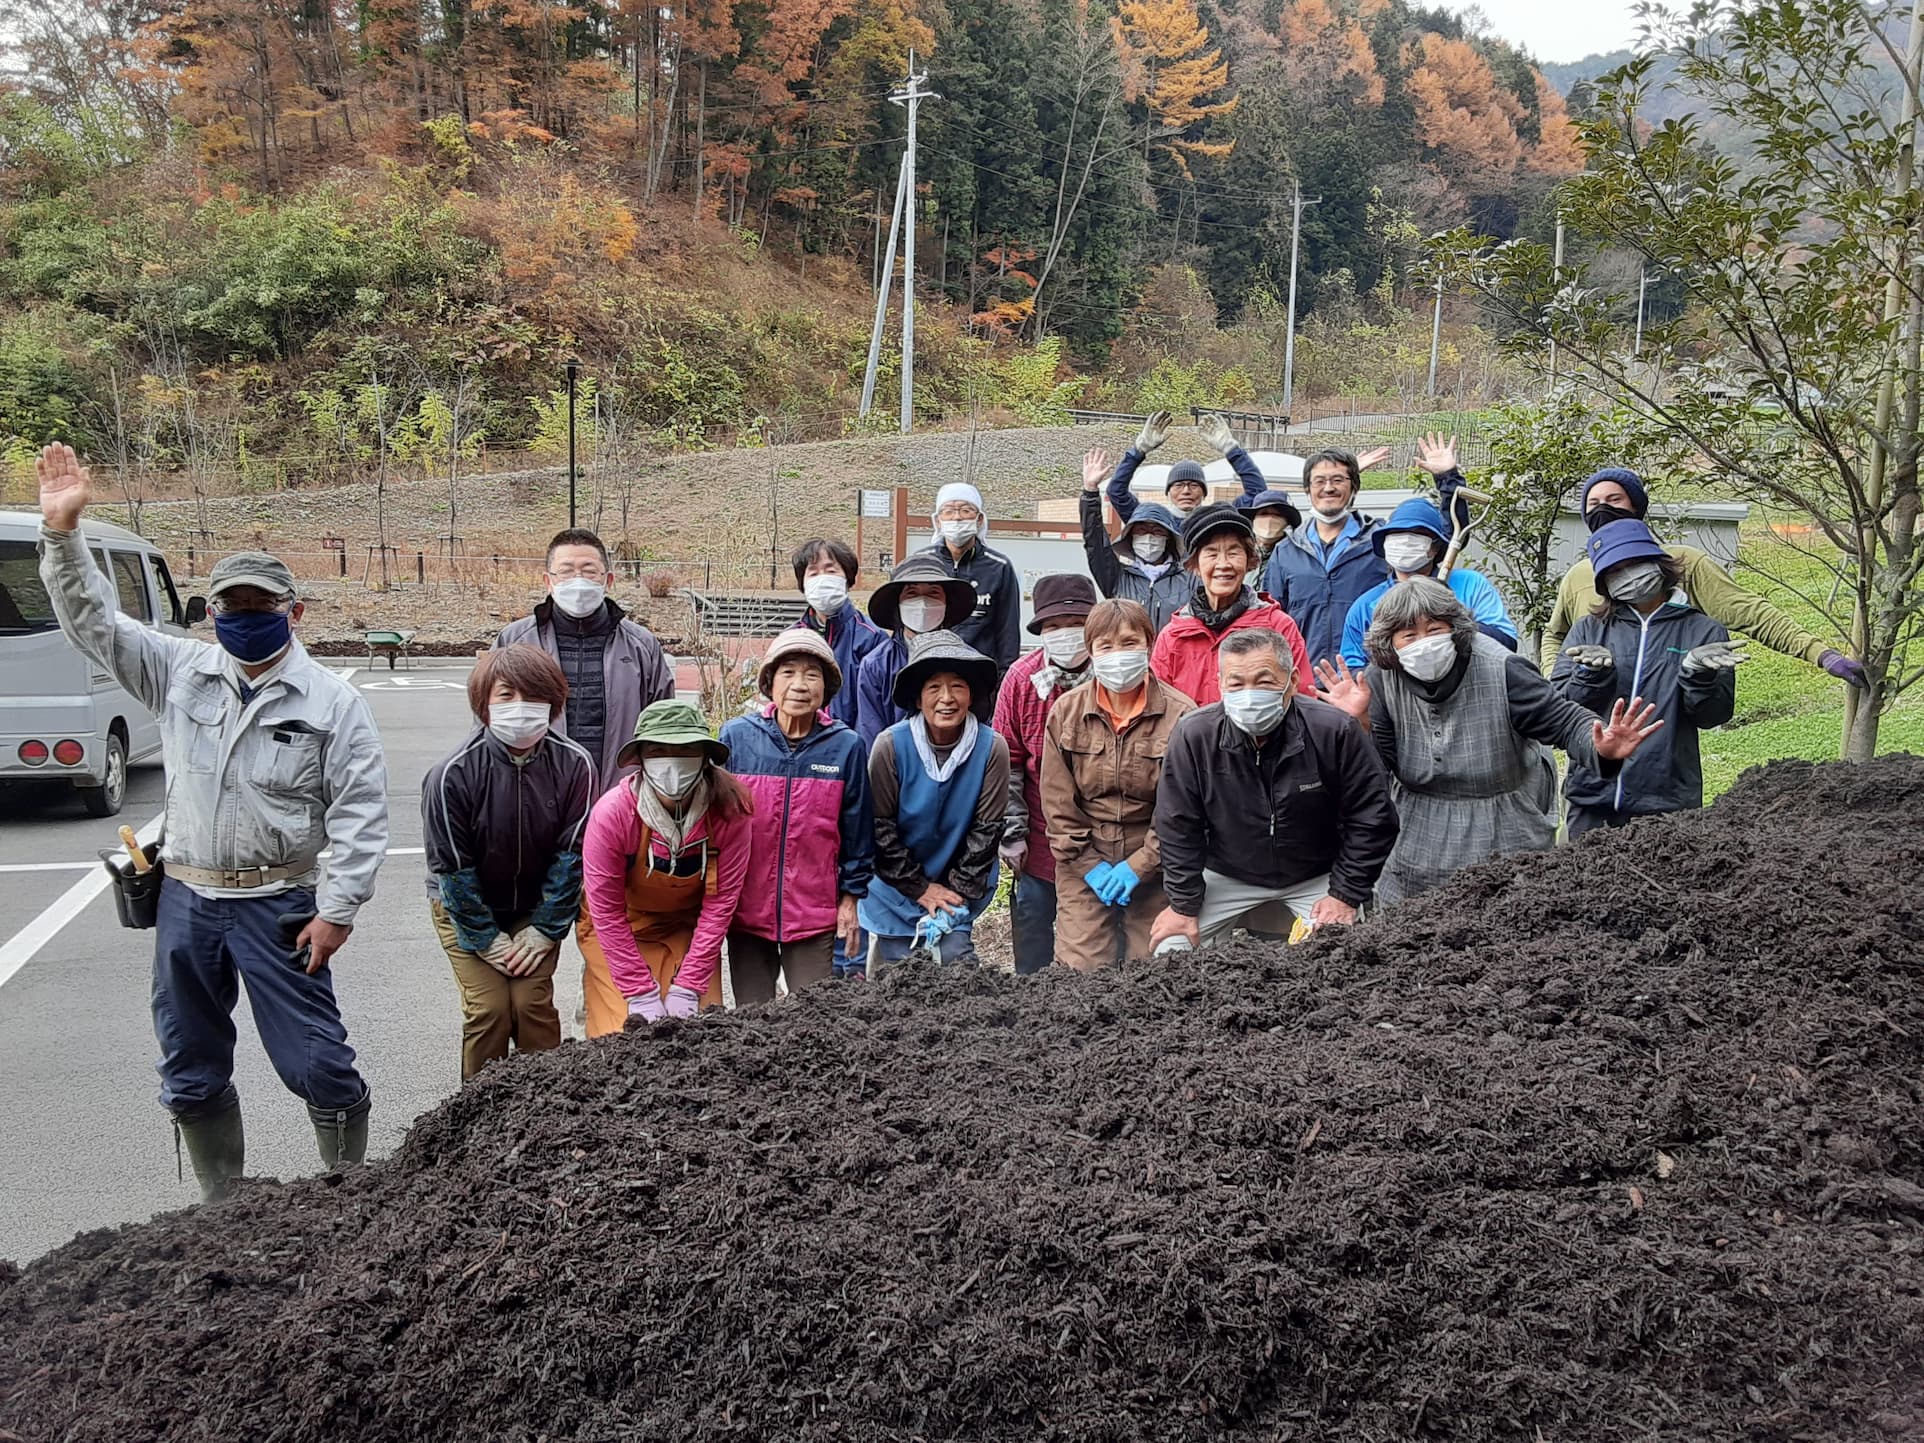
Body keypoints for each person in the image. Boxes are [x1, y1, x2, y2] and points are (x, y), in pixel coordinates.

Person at [34, 443, 387, 1201]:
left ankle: (348, 1199)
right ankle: (222, 1207)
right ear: (211, 611)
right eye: (232, 606)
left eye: (262, 607)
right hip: (188, 901)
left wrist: (338, 911)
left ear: (294, 612)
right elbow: (94, 623)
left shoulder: (332, 703)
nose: (246, 618)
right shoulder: (178, 669)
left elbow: (360, 812)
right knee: (189, 1066)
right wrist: (64, 536)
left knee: (319, 1064)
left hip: (281, 904)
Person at [1314, 579, 1661, 905]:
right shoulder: (1381, 678)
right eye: (1409, 635)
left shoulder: (1503, 669)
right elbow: (1379, 767)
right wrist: (1360, 723)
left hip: (1502, 821)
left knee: (1508, 920)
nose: (1424, 643)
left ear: (1456, 628)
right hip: (1418, 828)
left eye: (1435, 629)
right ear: (1389, 644)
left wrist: (1599, 743)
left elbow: (1564, 719)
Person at [1151, 628, 1398, 950]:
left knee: (1338, 952)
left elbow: (1373, 817)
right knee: (1173, 946)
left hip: (1317, 873)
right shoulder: (1194, 735)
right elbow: (1176, 823)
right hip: (1227, 873)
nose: (1249, 694)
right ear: (1221, 683)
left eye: (1264, 681)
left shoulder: (1334, 731)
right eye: (1236, 683)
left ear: (1292, 681)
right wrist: (1182, 904)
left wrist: (1345, 893)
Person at [422, 645, 595, 1079]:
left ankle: (550, 1106)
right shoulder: (451, 774)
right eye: (506, 696)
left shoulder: (576, 764)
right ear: (484, 703)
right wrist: (488, 940)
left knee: (531, 1004)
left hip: (535, 908)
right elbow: (453, 871)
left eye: (534, 697)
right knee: (490, 1009)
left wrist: (542, 931)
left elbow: (571, 858)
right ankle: (477, 1112)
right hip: (466, 908)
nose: (521, 708)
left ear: (554, 704)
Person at [1540, 467, 1868, 687]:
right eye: (1594, 504)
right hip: (1597, 716)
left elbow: (1752, 613)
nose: (1603, 510)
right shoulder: (1579, 577)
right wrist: (1558, 681)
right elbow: (1556, 634)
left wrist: (1821, 654)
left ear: (1637, 507)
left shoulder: (1684, 563)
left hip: (1667, 714)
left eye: (1614, 500)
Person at [1551, 520, 1743, 837]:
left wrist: (1698, 676)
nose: (1628, 576)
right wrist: (1592, 675)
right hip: (1592, 796)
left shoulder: (1703, 631)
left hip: (1667, 801)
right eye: (1615, 571)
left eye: (1634, 563)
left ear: (1657, 562)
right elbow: (1562, 708)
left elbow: (1714, 716)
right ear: (1605, 583)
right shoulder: (1588, 628)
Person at [1040, 599, 1196, 970]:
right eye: (1106, 646)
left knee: (1159, 967)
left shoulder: (1182, 715)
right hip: (1084, 865)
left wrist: (1140, 865)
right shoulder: (1067, 712)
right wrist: (1089, 866)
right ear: (1091, 652)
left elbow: (1182, 811)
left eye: (1129, 643)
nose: (1118, 654)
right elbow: (1058, 805)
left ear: (1149, 644)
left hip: (1159, 867)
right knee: (1082, 971)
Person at [719, 629, 873, 1004]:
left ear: (827, 688)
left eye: (812, 675)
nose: (800, 685)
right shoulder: (736, 739)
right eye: (788, 673)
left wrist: (850, 900)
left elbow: (858, 834)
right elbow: (715, 826)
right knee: (751, 1019)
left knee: (810, 1023)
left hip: (813, 914)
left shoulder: (846, 746)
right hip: (745, 911)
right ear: (770, 682)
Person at [579, 700, 750, 1027]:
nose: (672, 762)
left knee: (699, 1031)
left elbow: (721, 902)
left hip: (687, 928)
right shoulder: (612, 815)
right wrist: (638, 991)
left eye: (686, 751)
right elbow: (606, 911)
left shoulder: (730, 811)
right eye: (658, 751)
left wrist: (689, 985)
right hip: (619, 929)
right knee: (620, 1032)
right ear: (640, 759)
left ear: (704, 758)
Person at [860, 631, 1011, 968]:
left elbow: (986, 831)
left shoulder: (991, 748)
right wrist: (919, 889)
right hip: (895, 883)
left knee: (956, 961)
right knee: (893, 976)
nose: (947, 698)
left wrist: (951, 897)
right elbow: (878, 829)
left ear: (971, 695)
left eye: (957, 686)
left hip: (959, 880)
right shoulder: (890, 746)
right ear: (918, 699)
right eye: (934, 688)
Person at [494, 528, 675, 783]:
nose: (578, 580)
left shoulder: (641, 645)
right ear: (548, 581)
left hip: (619, 795)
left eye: (589, 571)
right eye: (566, 571)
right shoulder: (515, 641)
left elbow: (664, 723)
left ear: (608, 580)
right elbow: (487, 721)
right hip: (534, 794)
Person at [992, 574, 1098, 975]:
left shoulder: (1115, 677)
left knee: (1095, 941)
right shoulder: (1021, 680)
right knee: (1034, 924)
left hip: (1101, 837)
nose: (1065, 634)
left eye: (1075, 625)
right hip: (1039, 837)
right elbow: (1007, 763)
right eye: (1053, 627)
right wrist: (1013, 834)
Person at [1151, 503, 1313, 706]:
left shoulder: (1278, 626)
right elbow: (1158, 706)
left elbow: (1302, 698)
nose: (1223, 564)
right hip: (1191, 738)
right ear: (1194, 565)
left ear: (1249, 562)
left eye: (1234, 552)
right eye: (1211, 553)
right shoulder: (1173, 635)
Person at [1338, 496, 1517, 668]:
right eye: (1397, 533)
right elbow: (1352, 666)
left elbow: (1506, 643)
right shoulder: (1365, 605)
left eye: (1417, 534)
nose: (1406, 540)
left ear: (1436, 547)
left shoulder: (1470, 584)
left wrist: (1454, 623)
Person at [1261, 447, 1391, 667]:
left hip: (1368, 675)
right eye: (1319, 481)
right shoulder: (1286, 551)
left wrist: (1447, 478)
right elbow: (1270, 619)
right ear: (1307, 489)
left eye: (1338, 480)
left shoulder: (1379, 543)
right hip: (1305, 678)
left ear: (1354, 487)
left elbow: (1436, 546)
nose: (1328, 488)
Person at [856, 554, 977, 749]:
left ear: (947, 603)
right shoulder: (876, 665)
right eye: (912, 594)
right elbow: (871, 734)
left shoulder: (969, 662)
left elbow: (978, 726)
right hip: (894, 768)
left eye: (933, 593)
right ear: (898, 603)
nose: (923, 603)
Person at [1079, 448, 1190, 634]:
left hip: (1174, 660)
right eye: (1141, 530)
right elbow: (1095, 543)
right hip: (1129, 658)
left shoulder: (1189, 579)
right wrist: (1090, 493)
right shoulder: (1118, 578)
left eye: (1157, 531)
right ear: (1130, 536)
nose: (1149, 536)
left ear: (1169, 538)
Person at [920, 482, 1021, 675]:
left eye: (966, 510)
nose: (957, 517)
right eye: (948, 511)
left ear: (980, 519)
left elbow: (1007, 632)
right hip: (930, 672)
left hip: (981, 676)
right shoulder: (922, 563)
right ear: (938, 521)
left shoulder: (999, 566)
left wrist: (1004, 680)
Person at [1103, 412, 1270, 524]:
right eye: (1178, 485)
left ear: (1204, 492)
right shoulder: (1154, 521)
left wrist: (1232, 450)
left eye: (1194, 485)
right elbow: (1116, 492)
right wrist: (1138, 451)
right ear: (1168, 492)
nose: (1186, 491)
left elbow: (1258, 494)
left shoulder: (1217, 520)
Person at [792, 537, 887, 732]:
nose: (822, 578)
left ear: (847, 577)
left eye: (830, 570)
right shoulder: (791, 638)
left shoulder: (872, 638)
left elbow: (875, 710)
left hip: (852, 749)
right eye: (813, 572)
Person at [1239, 487, 1303, 567]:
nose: (1270, 519)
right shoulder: (1241, 553)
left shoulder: (1297, 558)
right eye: (1264, 513)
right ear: (1253, 520)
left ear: (1287, 523)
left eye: (1277, 515)